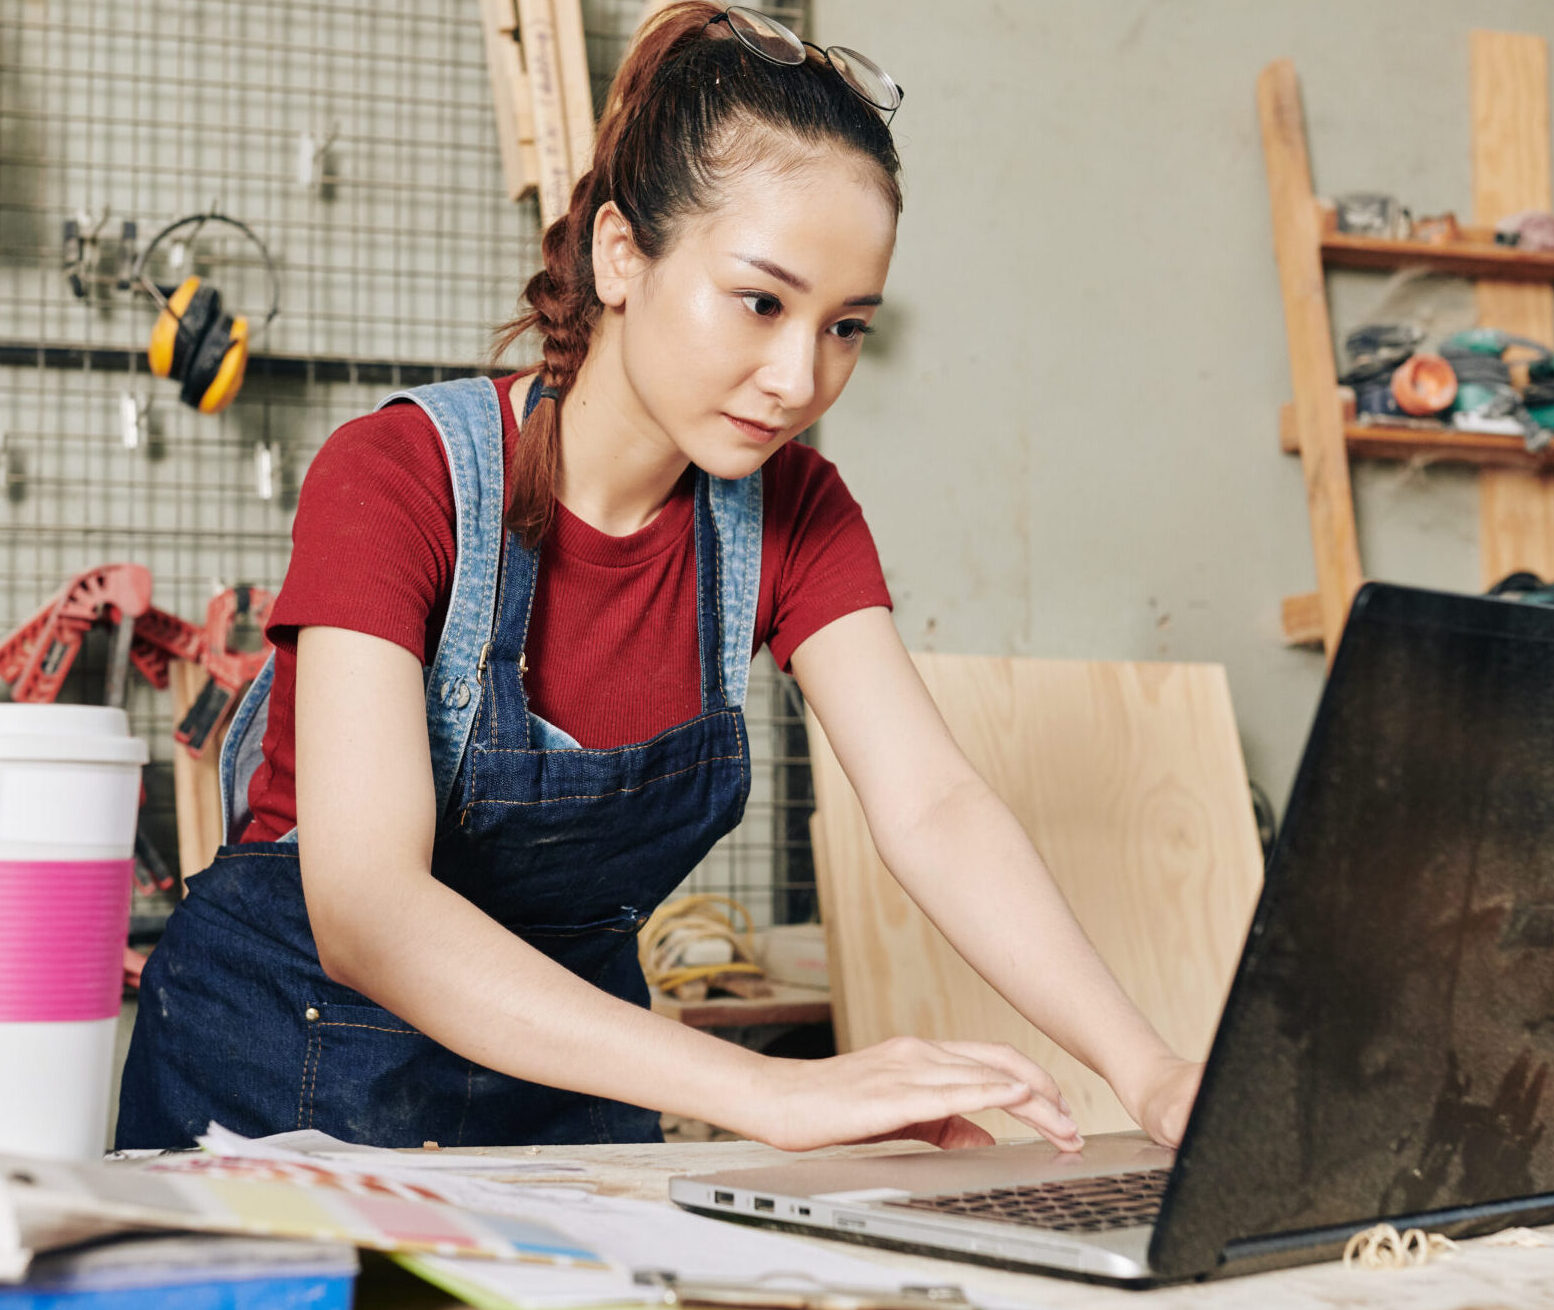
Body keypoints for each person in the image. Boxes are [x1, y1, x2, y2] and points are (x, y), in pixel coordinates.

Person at [116, 2, 1202, 1154]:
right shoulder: (395, 477)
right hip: (283, 1095)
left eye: (847, 327)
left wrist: (1153, 1071)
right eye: (762, 301)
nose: (798, 377)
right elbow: (368, 912)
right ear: (622, 254)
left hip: (569, 1113)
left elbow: (933, 807)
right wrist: (773, 1091)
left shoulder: (793, 513)